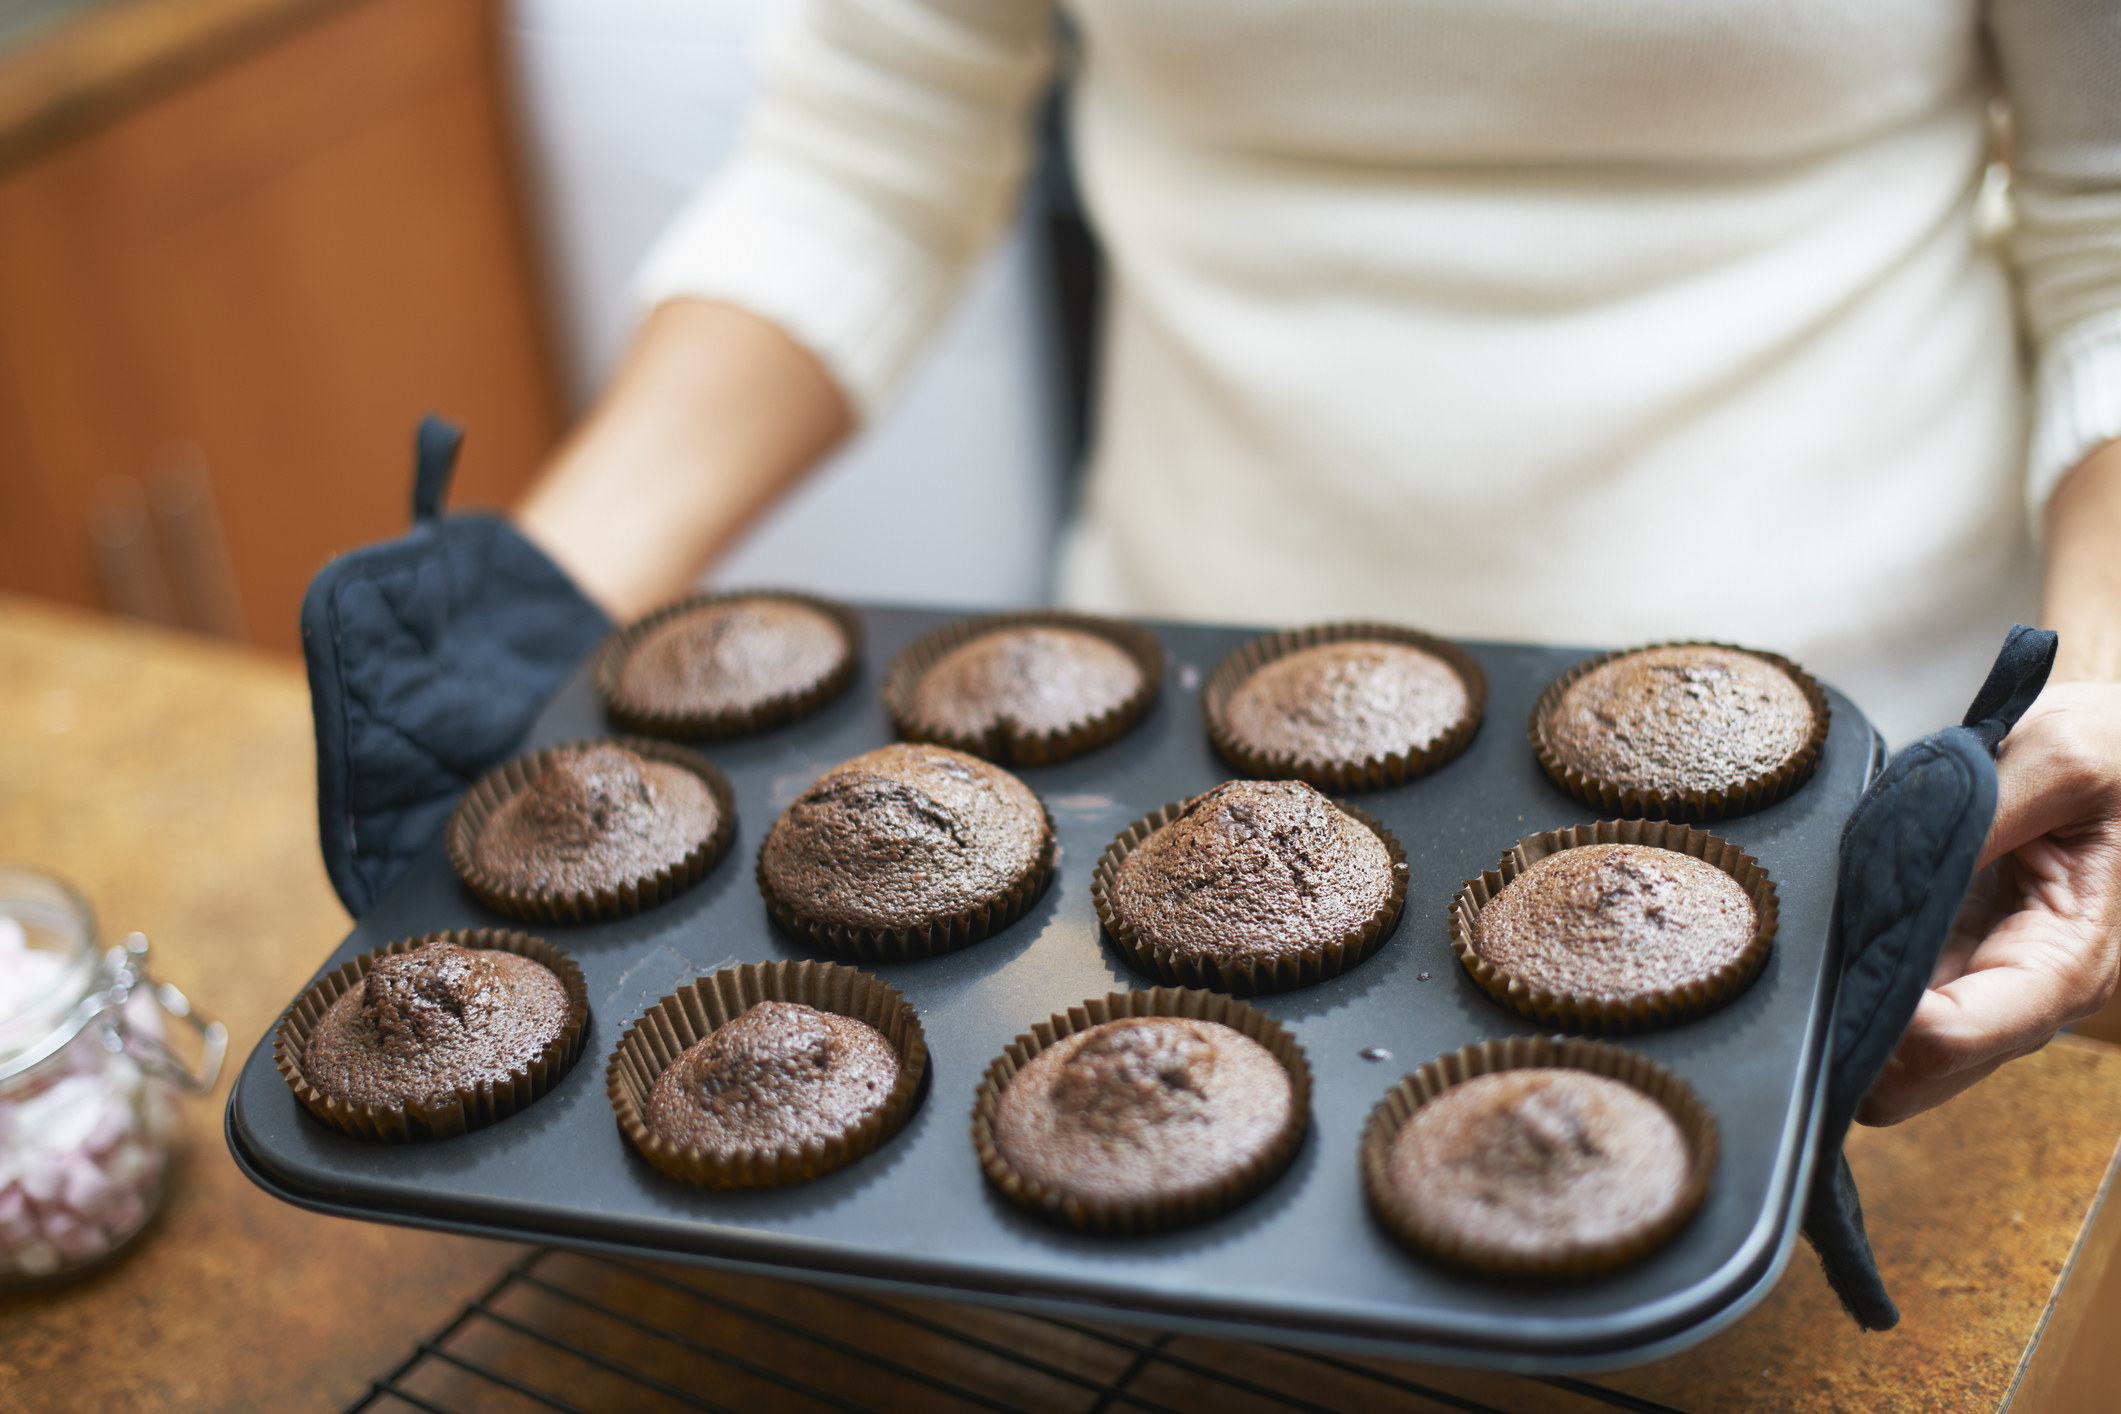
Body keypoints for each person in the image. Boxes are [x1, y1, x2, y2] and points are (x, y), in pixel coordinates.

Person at [511, 1, 2121, 1127]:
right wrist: (540, 584)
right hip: (1149, 792)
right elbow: (867, 142)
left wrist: (2108, 686)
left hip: (1852, 830)